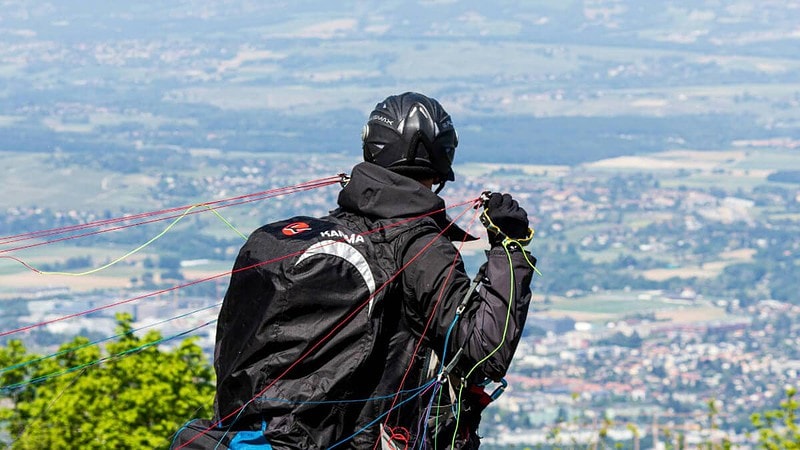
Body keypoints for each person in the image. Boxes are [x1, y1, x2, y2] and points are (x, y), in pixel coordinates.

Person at [171, 92, 536, 450]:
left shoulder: (294, 239)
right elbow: (486, 350)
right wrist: (510, 249)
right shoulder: (417, 247)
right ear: (442, 157)